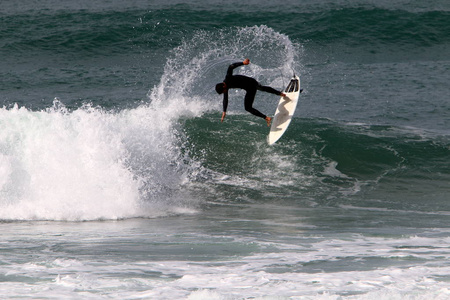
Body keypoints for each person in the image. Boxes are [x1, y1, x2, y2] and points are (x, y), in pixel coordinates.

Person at [215, 59, 286, 127]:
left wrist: (243, 63)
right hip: (249, 88)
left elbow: (231, 67)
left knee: (259, 92)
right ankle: (278, 97)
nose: (225, 92)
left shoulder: (228, 78)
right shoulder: (225, 87)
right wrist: (224, 111)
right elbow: (225, 99)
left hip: (251, 83)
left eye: (224, 91)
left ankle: (279, 95)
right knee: (260, 91)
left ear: (224, 85)